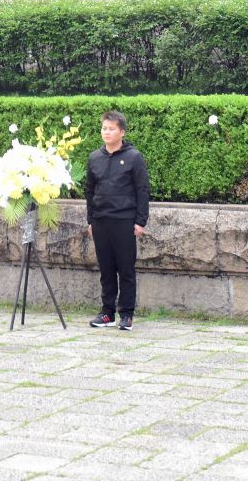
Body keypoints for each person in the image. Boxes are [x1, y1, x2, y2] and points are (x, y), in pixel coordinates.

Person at [84, 110, 150, 331]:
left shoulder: (133, 157)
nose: (106, 132)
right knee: (106, 269)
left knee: (126, 269)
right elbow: (89, 191)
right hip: (101, 221)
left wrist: (141, 221)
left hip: (124, 220)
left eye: (111, 128)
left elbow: (142, 190)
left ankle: (127, 314)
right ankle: (107, 312)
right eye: (104, 128)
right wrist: (90, 220)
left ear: (121, 132)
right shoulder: (95, 158)